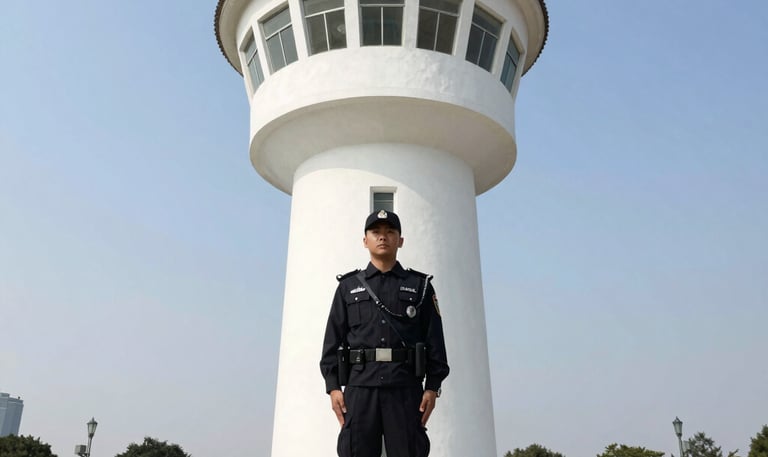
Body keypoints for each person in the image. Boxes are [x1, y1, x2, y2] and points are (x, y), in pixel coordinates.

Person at [320, 210, 449, 457]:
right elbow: (331, 341)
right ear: (365, 240)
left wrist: (432, 387)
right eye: (376, 232)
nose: (383, 237)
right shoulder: (347, 287)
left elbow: (435, 341)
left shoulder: (420, 286)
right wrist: (333, 387)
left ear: (400, 240)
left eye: (390, 232)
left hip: (405, 388)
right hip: (359, 389)